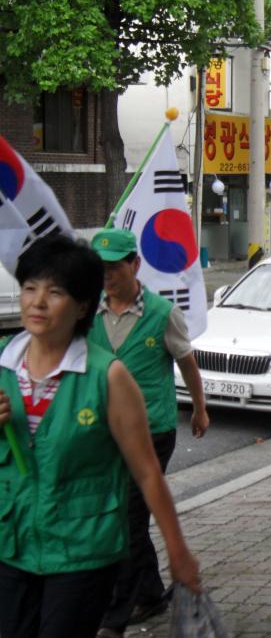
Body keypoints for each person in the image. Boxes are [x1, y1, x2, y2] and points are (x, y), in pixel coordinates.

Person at [0, 235, 200, 638]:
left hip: (82, 550)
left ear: (82, 307)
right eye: (29, 288)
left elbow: (146, 473)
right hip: (12, 543)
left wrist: (178, 551)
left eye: (54, 292)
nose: (37, 302)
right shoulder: (3, 365)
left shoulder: (107, 376)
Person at [88, 228, 209, 637]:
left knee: (129, 519)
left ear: (135, 264)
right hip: (105, 431)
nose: (107, 276)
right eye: (100, 268)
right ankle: (152, 590)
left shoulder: (161, 313)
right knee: (122, 515)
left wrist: (199, 408)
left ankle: (119, 612)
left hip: (153, 428)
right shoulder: (89, 312)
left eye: (115, 267)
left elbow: (187, 363)